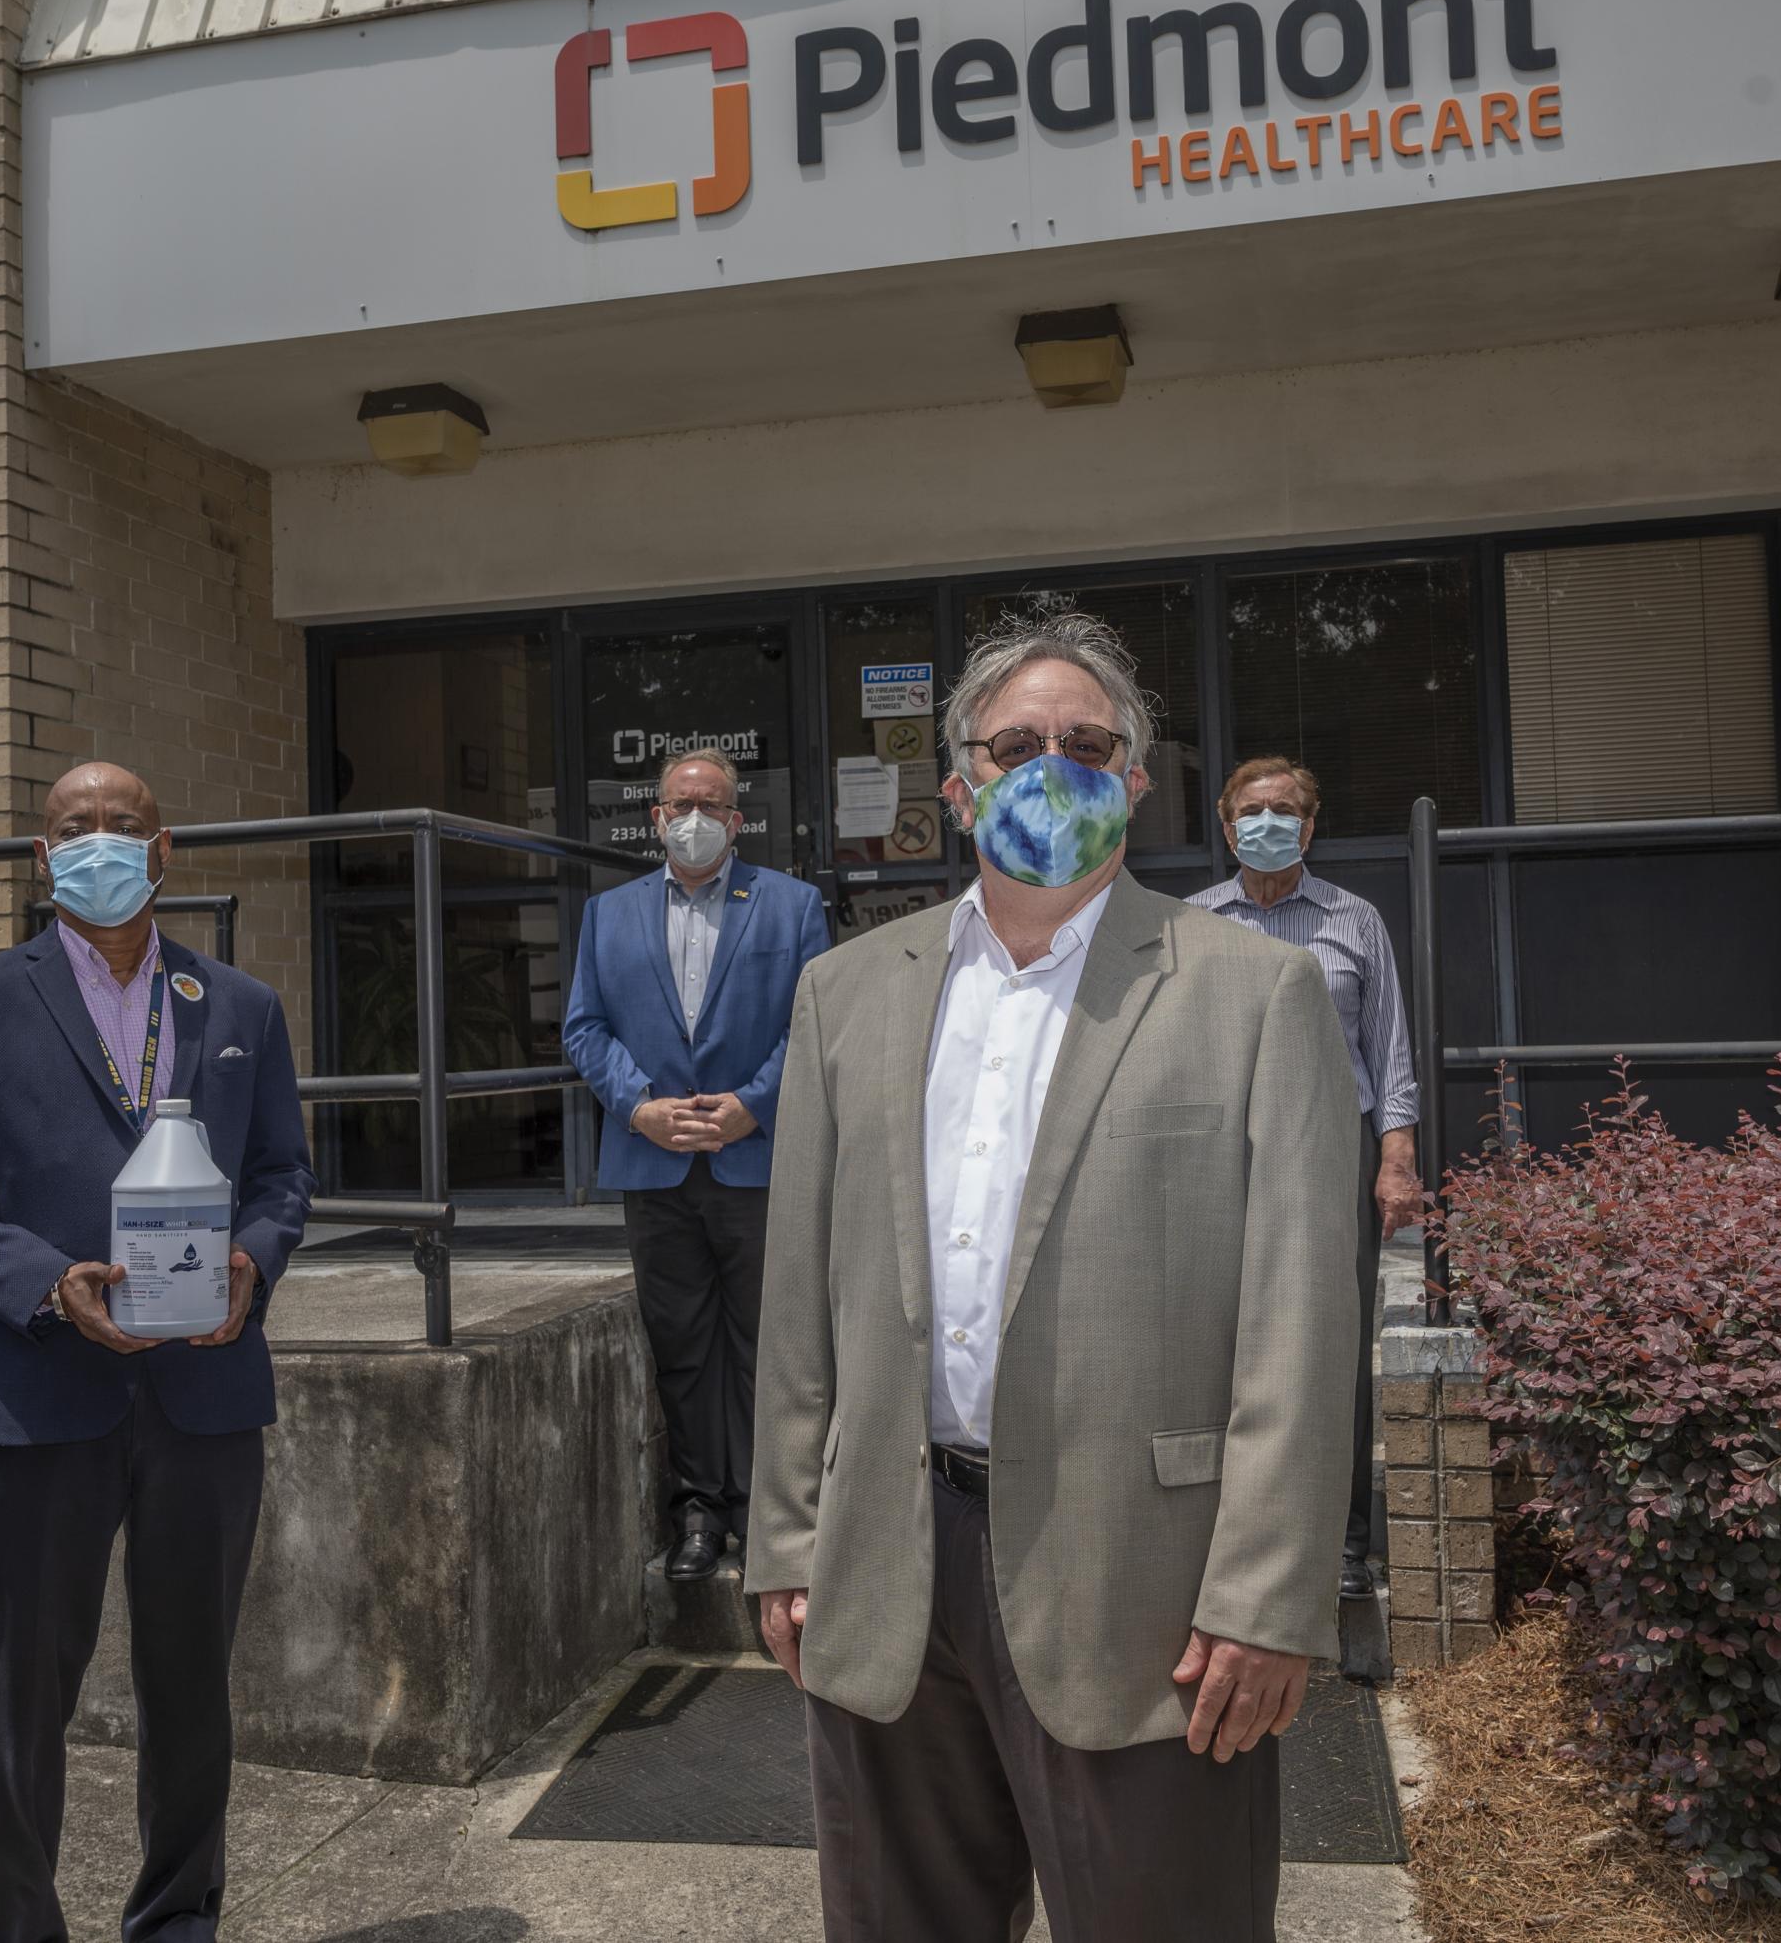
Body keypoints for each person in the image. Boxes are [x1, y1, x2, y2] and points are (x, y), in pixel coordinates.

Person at [745, 614, 1360, 1942]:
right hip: (888, 1567)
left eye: (1086, 744)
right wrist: (787, 1541)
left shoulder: (1257, 993)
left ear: (1136, 780)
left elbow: (1303, 1321)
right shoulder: (846, 992)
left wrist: (1267, 1596)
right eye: (1015, 746)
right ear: (958, 786)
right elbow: (798, 1299)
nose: (1051, 769)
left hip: (1147, 1588)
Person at [0, 760, 314, 1943]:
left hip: (203, 1397)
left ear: (163, 851)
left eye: (124, 825)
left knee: (193, 1693)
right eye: (76, 828)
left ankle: (178, 1919)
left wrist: (252, 1261)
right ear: (43, 857)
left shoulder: (239, 1007)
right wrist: (43, 1283)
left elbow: (282, 1174)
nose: (100, 843)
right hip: (36, 1400)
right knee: (20, 1704)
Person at [564, 748, 831, 1581]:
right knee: (681, 1346)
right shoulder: (607, 914)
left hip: (757, 1161)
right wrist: (638, 1107)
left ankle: (767, 1511)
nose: (693, 818)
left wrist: (754, 1103)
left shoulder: (791, 905)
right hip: (655, 1166)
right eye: (680, 804)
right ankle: (700, 1512)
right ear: (655, 817)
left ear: (737, 821)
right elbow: (584, 1028)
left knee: (767, 1345)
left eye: (711, 805)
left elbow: (814, 1022)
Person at [1189, 758, 1423, 1602]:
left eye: (1285, 809)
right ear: (1227, 828)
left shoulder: (1353, 920)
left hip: (1332, 1146)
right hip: (1222, 1152)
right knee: (1219, 1342)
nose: (1268, 822)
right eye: (1252, 811)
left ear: (1311, 826)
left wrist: (1396, 1160)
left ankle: (1344, 1546)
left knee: (1331, 1343)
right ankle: (1230, 1544)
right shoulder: (1192, 923)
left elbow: (1389, 1049)